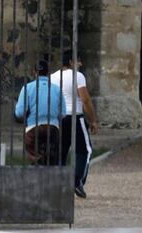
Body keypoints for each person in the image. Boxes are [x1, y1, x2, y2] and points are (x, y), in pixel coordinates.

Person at [51, 51, 99, 199]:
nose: (80, 64)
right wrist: (93, 120)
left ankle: (57, 185)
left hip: (59, 118)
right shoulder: (78, 76)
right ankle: (77, 181)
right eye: (78, 61)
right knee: (85, 150)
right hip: (75, 116)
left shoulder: (53, 77)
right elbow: (85, 100)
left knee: (61, 151)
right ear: (71, 62)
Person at [15, 60, 66, 165]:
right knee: (53, 154)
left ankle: (36, 162)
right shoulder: (57, 89)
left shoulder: (27, 88)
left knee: (32, 150)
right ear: (48, 73)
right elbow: (63, 114)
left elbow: (19, 113)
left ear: (34, 72)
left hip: (34, 128)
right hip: (53, 129)